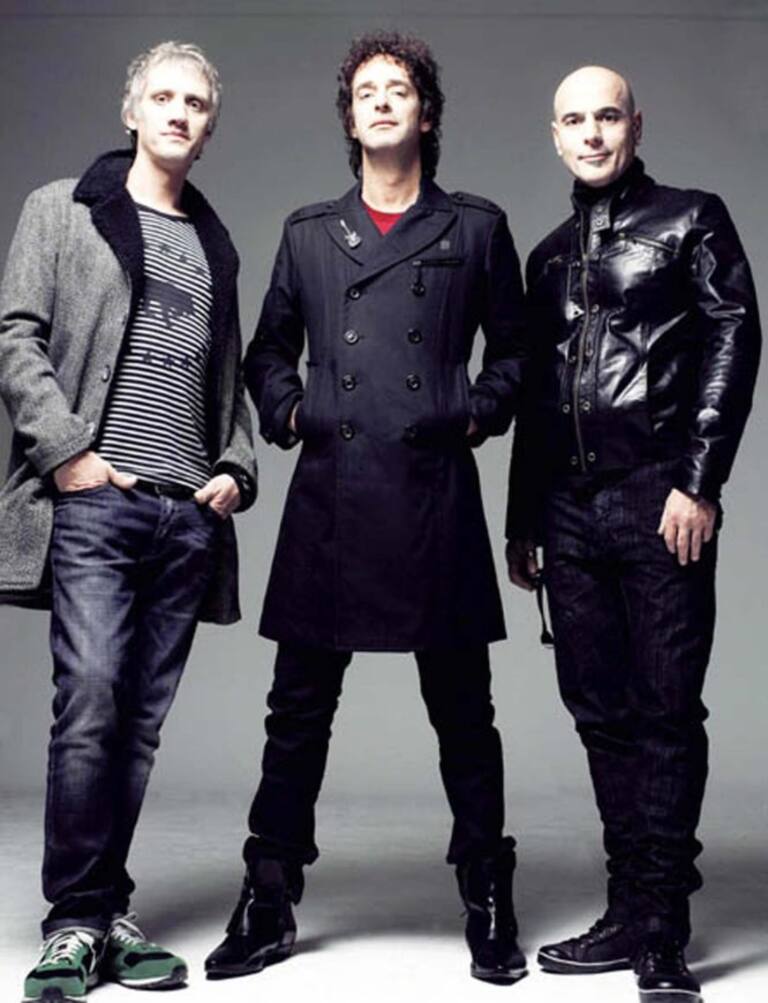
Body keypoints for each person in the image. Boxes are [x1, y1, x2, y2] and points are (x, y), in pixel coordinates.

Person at [205, 31, 528, 985]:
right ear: (350, 120)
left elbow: (518, 353)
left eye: (400, 89)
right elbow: (268, 351)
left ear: (427, 114)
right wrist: (294, 411)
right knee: (296, 711)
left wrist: (471, 410)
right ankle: (268, 896)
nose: (382, 101)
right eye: (366, 92)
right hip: (332, 498)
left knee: (464, 711)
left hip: (434, 490)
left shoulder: (476, 227)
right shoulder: (310, 232)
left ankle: (488, 892)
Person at [0, 40, 256, 1003]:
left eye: (197, 103)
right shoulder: (61, 209)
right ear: (131, 109)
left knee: (138, 726)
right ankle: (74, 920)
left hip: (185, 517)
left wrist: (236, 467)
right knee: (92, 701)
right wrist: (67, 451)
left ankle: (106, 913)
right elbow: (15, 335)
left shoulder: (214, 242)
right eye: (164, 97)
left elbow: (226, 382)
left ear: (209, 126)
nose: (180, 113)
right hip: (97, 502)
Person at [506, 65, 760, 1003]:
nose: (592, 133)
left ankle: (663, 929)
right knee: (598, 709)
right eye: (574, 119)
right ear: (555, 134)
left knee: (665, 708)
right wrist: (522, 518)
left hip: (660, 494)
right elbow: (537, 395)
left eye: (607, 116)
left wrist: (700, 481)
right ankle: (627, 907)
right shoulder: (545, 259)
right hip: (567, 509)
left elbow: (736, 338)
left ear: (635, 124)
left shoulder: (692, 219)